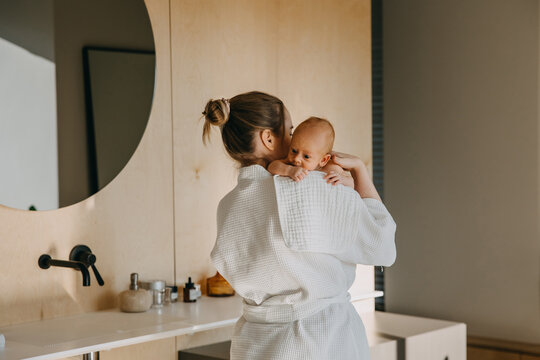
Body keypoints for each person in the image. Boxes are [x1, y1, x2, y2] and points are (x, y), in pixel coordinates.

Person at [202, 91, 396, 359]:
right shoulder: (320, 188)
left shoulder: (227, 207)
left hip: (254, 345)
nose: (295, 138)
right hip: (321, 341)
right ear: (268, 138)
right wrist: (360, 173)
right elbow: (382, 247)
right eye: (290, 131)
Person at [267, 116, 353, 187]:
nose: (297, 158)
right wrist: (289, 170)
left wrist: (342, 179)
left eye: (306, 156)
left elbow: (353, 184)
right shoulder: (291, 164)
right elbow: (272, 166)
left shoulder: (331, 168)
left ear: (323, 160)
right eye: (294, 150)